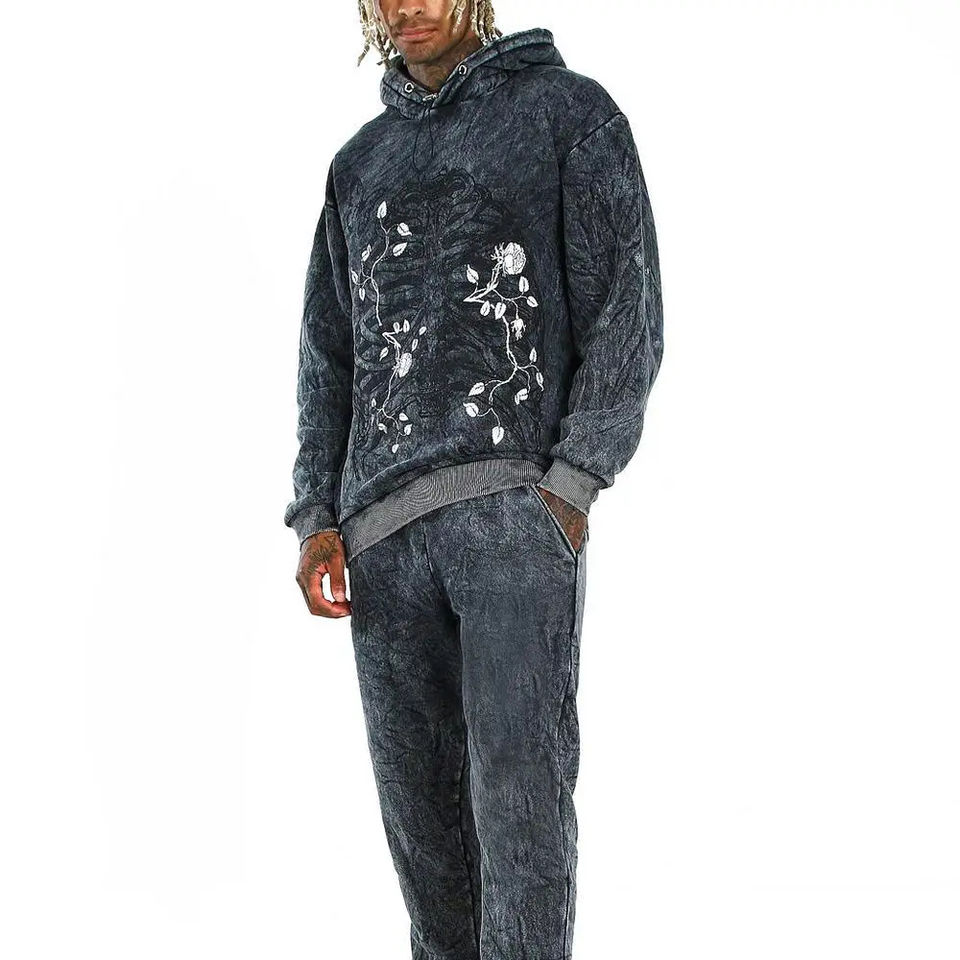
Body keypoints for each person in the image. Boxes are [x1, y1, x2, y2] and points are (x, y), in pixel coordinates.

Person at [284, 1, 663, 956]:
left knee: (520, 814)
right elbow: (329, 350)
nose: (406, 7)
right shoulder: (358, 164)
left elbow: (626, 304)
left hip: (511, 516)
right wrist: (317, 514)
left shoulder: (567, 114)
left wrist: (572, 484)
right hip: (379, 540)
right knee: (425, 844)